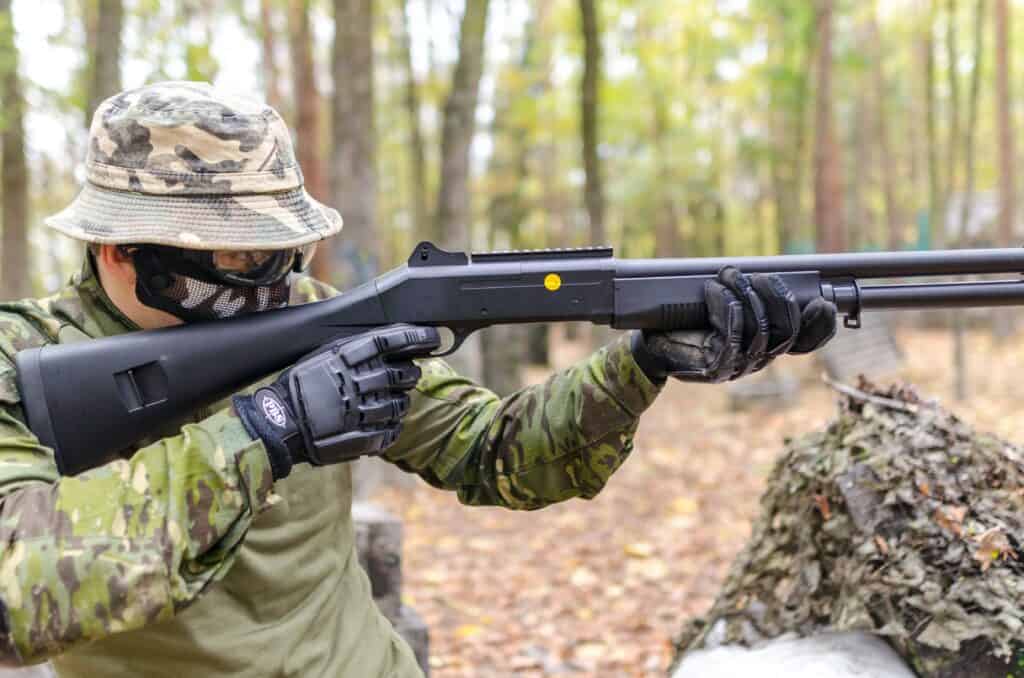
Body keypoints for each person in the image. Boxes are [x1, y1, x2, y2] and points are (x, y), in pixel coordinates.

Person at [0, 82, 837, 677]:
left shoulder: (315, 317)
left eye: (282, 262)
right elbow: (22, 595)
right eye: (227, 266)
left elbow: (503, 454)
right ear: (117, 249)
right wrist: (264, 430)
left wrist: (642, 363)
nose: (265, 295)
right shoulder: (22, 365)